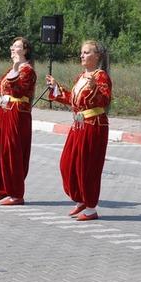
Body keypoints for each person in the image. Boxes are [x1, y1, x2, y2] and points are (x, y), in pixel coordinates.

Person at [45, 40, 112, 221]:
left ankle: (90, 206)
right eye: (81, 52)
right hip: (78, 126)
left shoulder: (101, 76)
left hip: (93, 125)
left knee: (87, 167)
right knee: (67, 164)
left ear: (97, 56)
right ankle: (80, 199)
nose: (82, 56)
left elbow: (104, 100)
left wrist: (94, 89)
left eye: (86, 52)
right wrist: (56, 88)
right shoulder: (80, 76)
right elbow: (73, 100)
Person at [0, 37, 36, 206]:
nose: (12, 48)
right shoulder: (12, 70)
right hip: (2, 113)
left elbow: (19, 89)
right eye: (12, 46)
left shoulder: (28, 71)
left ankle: (16, 193)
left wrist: (17, 70)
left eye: (16, 46)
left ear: (25, 51)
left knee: (11, 153)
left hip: (16, 114)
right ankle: (0, 189)